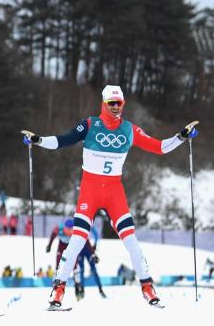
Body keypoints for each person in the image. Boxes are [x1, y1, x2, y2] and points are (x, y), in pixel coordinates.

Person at [22, 84, 198, 309]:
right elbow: (63, 140)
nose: (116, 107)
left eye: (119, 103)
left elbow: (160, 147)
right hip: (90, 190)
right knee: (76, 240)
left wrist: (181, 137)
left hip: (114, 192)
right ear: (103, 104)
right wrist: (38, 140)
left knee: (131, 242)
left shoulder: (129, 129)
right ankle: (58, 290)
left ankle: (147, 288)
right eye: (111, 103)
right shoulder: (89, 125)